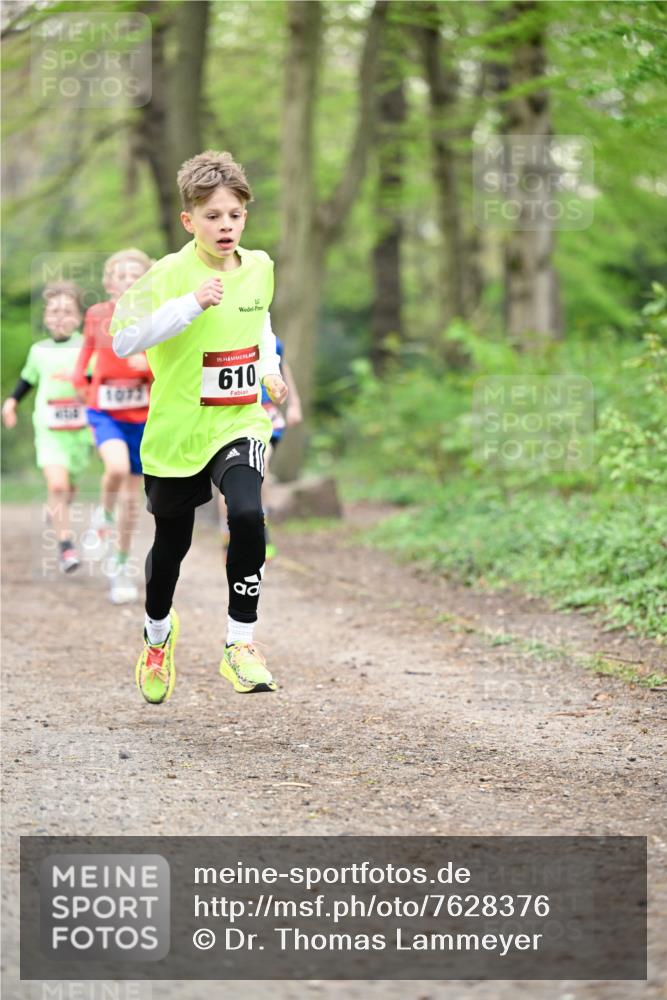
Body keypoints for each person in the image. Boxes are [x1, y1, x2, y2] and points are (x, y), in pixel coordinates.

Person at [111, 150, 288, 704]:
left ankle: (240, 643)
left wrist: (270, 369)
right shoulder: (170, 274)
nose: (225, 226)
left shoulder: (260, 266)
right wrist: (187, 305)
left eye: (234, 214)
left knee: (247, 513)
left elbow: (257, 319)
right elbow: (124, 339)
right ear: (190, 221)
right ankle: (158, 635)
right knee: (171, 548)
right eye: (212, 216)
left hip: (239, 421)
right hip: (178, 430)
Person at [72, 248, 154, 604]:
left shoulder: (156, 319)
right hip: (105, 411)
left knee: (133, 502)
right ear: (109, 283)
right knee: (115, 467)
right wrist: (82, 386)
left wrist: (144, 367)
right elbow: (83, 359)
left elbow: (166, 371)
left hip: (144, 416)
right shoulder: (96, 316)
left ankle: (120, 565)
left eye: (135, 275)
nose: (127, 281)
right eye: (120, 275)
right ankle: (102, 517)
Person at [2, 281, 91, 573]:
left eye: (67, 311)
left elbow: (97, 381)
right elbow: (27, 379)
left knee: (70, 488)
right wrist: (12, 402)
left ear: (79, 317)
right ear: (45, 316)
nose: (60, 317)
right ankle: (66, 546)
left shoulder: (87, 347)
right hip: (49, 430)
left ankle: (54, 511)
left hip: (80, 432)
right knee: (57, 485)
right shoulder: (39, 350)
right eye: (54, 311)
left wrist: (80, 381)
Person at [218, 336, 302, 561]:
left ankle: (262, 534)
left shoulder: (269, 333)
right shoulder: (228, 327)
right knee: (230, 477)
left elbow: (282, 365)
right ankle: (228, 532)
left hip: (267, 415)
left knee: (260, 466)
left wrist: (294, 403)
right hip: (233, 414)